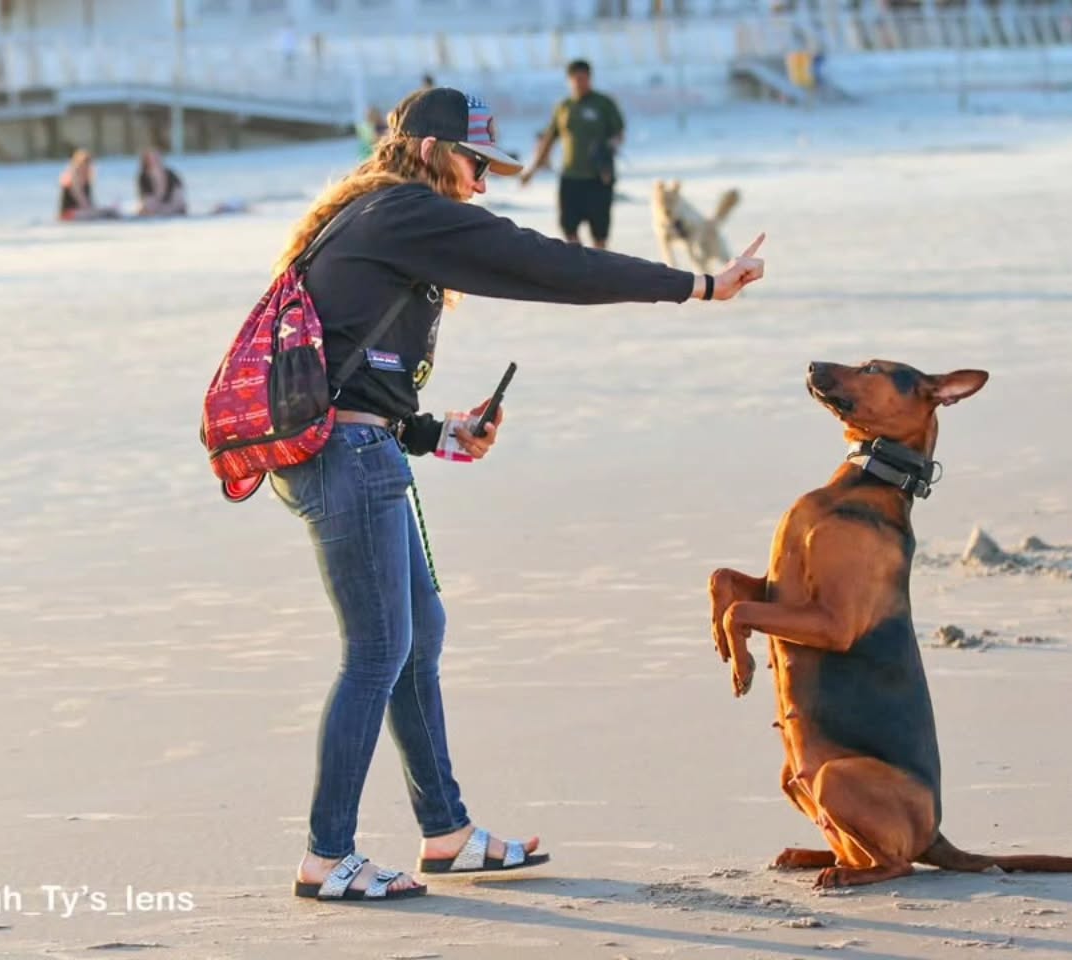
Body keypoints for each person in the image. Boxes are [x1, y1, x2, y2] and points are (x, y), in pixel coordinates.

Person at [271, 86, 764, 903]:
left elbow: (355, 370)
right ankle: (327, 855)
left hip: (359, 450)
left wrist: (438, 433)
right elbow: (550, 264)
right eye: (475, 163)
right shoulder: (402, 212)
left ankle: (448, 833)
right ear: (431, 151)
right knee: (376, 650)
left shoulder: (375, 218)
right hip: (346, 460)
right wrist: (698, 286)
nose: (483, 182)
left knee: (415, 635)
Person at [520, 59, 625, 249]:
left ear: (590, 79)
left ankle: (598, 270)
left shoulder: (603, 104)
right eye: (576, 79)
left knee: (600, 232)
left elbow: (618, 134)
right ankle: (581, 268)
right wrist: (532, 170)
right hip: (571, 177)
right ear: (569, 80)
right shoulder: (563, 107)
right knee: (568, 228)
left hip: (598, 178)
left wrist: (608, 147)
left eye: (583, 79)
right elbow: (549, 139)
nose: (580, 83)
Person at [57, 149, 120, 221]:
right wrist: (95, 210)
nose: (86, 168)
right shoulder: (73, 178)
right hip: (69, 214)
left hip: (80, 212)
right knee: (104, 213)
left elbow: (89, 202)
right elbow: (82, 201)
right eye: (84, 164)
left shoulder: (86, 179)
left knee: (107, 211)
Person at [136, 149, 188, 216]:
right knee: (146, 203)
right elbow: (144, 195)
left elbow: (179, 188)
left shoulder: (169, 173)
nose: (155, 160)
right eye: (152, 158)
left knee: (178, 196)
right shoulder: (143, 176)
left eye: (157, 157)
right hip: (153, 205)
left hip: (170, 203)